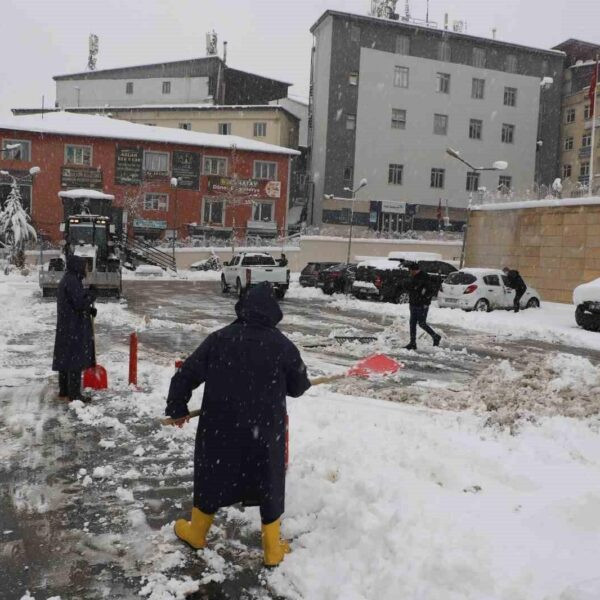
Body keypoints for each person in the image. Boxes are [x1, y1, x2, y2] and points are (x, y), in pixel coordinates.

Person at [165, 283, 311, 567]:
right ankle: (272, 549)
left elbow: (186, 375)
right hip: (264, 433)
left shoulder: (219, 339)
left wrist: (177, 407)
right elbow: (298, 386)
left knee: (212, 477)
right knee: (268, 481)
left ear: (241, 307)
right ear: (273, 311)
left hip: (221, 430)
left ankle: (196, 533)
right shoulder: (282, 345)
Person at [52, 255, 97, 402]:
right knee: (74, 360)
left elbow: (74, 302)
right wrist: (92, 295)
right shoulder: (72, 281)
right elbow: (79, 303)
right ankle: (74, 394)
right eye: (85, 266)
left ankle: (64, 390)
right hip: (73, 327)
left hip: (67, 325)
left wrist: (88, 310)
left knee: (65, 358)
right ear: (78, 266)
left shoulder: (69, 279)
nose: (86, 269)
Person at [404, 262, 441, 350]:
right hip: (413, 303)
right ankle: (412, 342)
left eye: (411, 271)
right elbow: (411, 289)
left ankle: (435, 336)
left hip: (421, 305)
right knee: (412, 323)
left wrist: (426, 303)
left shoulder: (425, 277)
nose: (410, 272)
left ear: (414, 270)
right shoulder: (413, 277)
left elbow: (430, 291)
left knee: (422, 323)